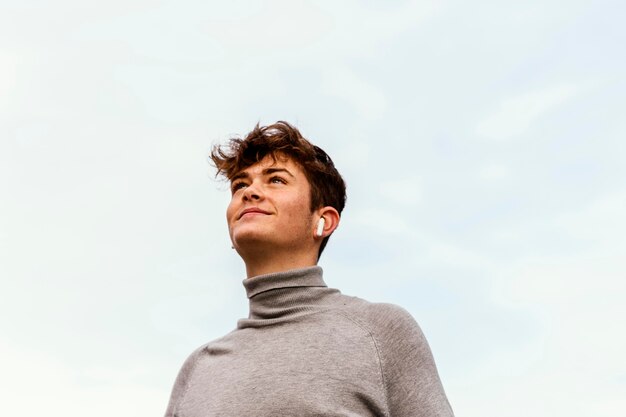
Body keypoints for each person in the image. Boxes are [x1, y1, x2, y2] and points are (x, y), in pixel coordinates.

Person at [165, 121, 454, 417]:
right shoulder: (198, 369)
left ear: (324, 221)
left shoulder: (381, 331)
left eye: (276, 180)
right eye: (240, 184)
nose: (250, 192)